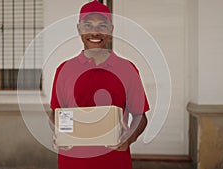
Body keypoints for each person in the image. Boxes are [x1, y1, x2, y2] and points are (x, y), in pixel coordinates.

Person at [50, 1, 150, 169]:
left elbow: (140, 116)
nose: (95, 32)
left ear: (110, 30)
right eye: (88, 25)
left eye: (101, 26)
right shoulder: (64, 70)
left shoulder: (127, 69)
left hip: (115, 162)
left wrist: (129, 138)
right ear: (79, 29)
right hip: (72, 162)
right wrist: (57, 134)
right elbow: (55, 113)